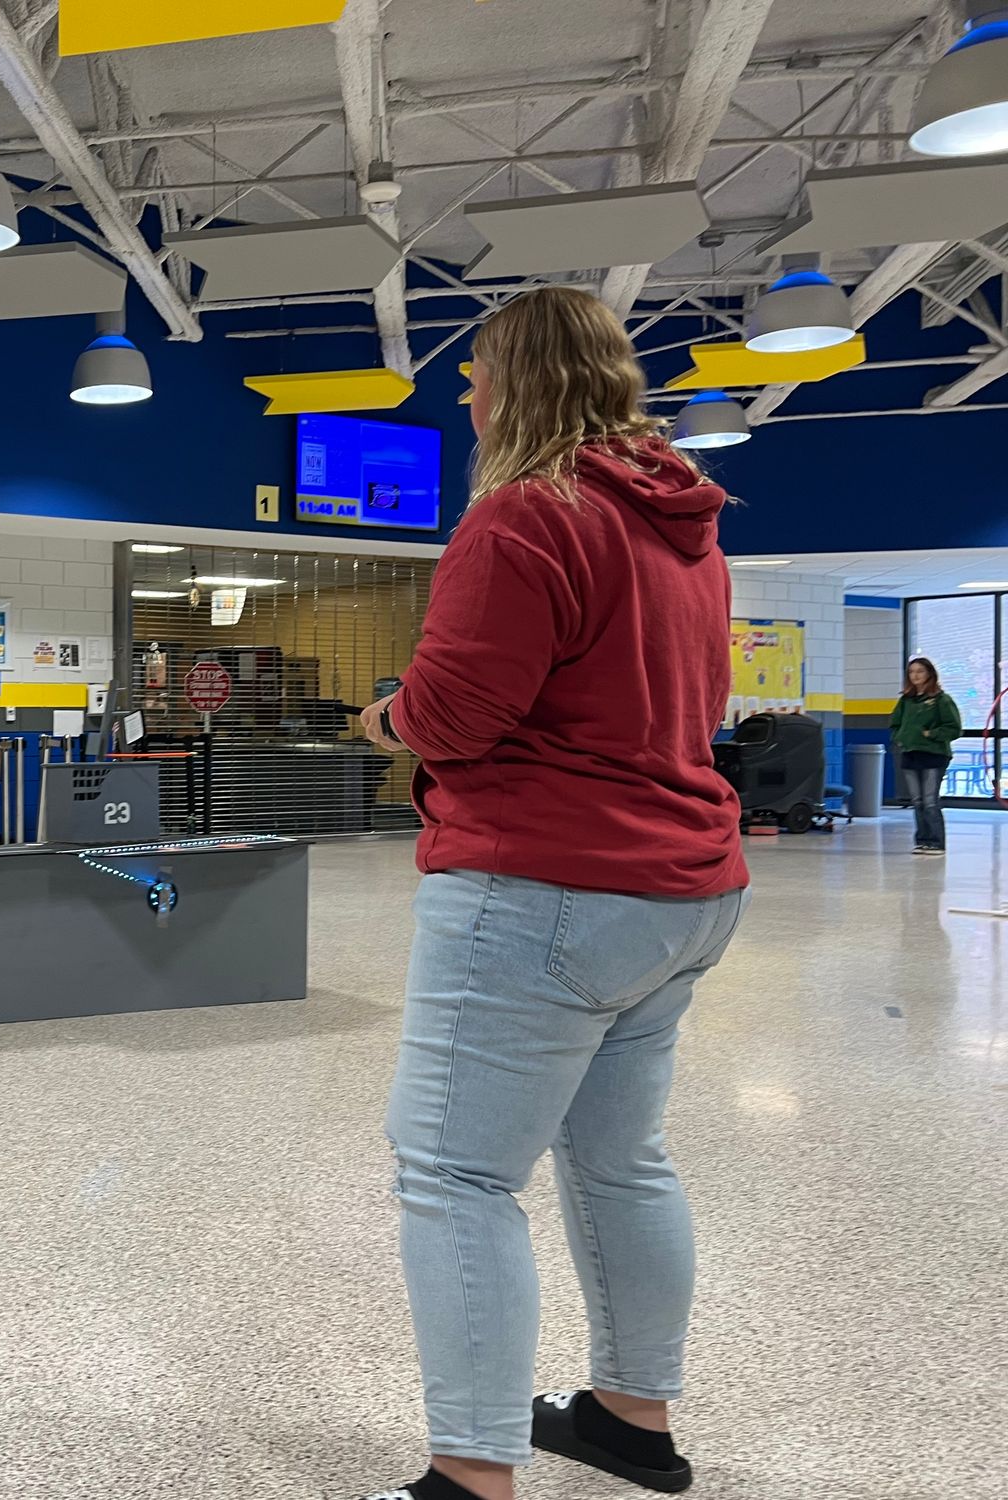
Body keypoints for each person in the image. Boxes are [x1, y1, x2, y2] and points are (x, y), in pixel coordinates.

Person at [356, 287, 750, 1500]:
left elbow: (455, 716)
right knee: (618, 1158)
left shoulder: (524, 514)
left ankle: (469, 1475)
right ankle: (630, 1417)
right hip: (679, 890)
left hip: (543, 887)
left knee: (456, 1176)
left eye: (476, 376)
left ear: (514, 382)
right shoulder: (684, 530)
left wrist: (384, 719)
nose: (468, 397)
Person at [889, 656, 961, 856]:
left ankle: (936, 842)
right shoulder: (906, 700)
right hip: (910, 754)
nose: (915, 675)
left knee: (930, 801)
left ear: (930, 673)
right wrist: (900, 738)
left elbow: (954, 728)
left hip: (934, 755)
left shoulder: (941, 700)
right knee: (917, 801)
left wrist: (931, 734)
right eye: (912, 672)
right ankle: (922, 841)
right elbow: (895, 724)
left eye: (920, 671)